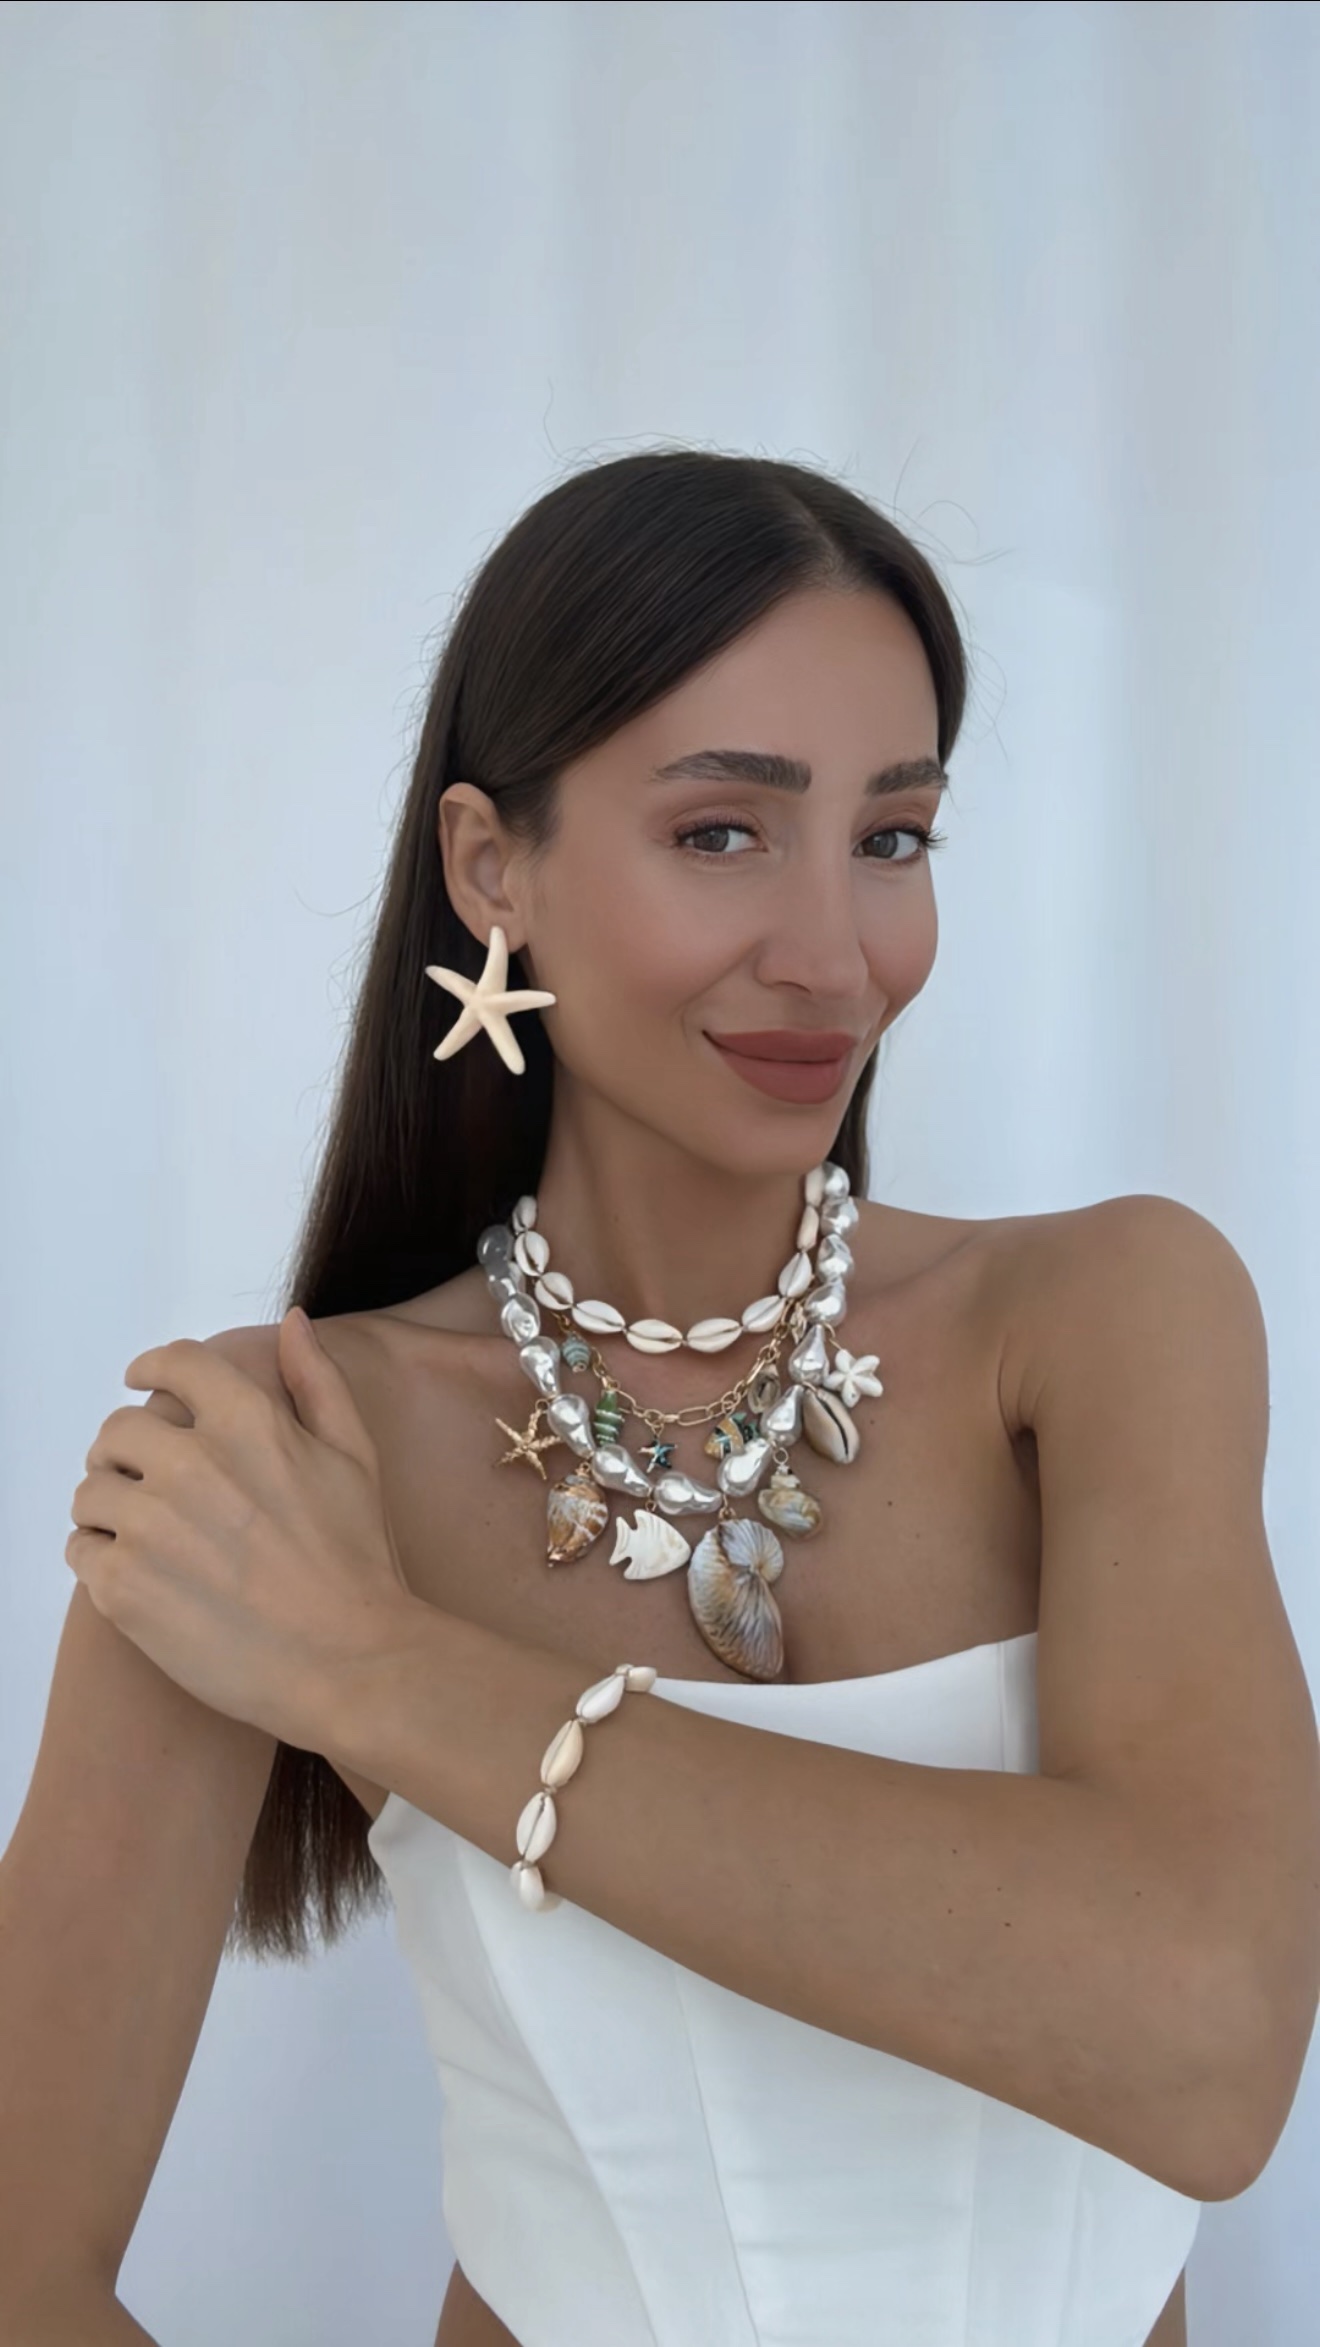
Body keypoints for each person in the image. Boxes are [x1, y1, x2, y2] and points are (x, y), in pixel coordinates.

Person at [2, 449, 1317, 2347]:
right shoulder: (276, 1459)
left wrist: (380, 1671)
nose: (833, 954)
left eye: (892, 838)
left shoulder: (1109, 1317)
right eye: (721, 832)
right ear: (492, 868)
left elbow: (1211, 2050)